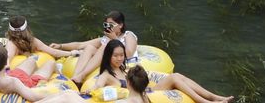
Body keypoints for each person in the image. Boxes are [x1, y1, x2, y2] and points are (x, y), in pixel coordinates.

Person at [84, 39, 233, 103]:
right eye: (115, 55)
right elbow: (96, 86)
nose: (119, 58)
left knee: (178, 76)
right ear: (108, 56)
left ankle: (215, 97)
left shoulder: (124, 69)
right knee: (174, 78)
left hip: (147, 90)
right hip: (145, 95)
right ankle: (206, 101)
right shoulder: (106, 75)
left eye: (121, 55)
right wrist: (86, 92)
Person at [51, 10, 139, 86]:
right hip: (111, 61)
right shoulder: (106, 38)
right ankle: (76, 78)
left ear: (120, 25)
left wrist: (114, 39)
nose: (108, 27)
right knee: (89, 47)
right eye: (106, 25)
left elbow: (129, 53)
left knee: (104, 47)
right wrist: (60, 46)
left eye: (111, 25)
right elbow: (80, 45)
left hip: (124, 64)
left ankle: (82, 75)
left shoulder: (128, 35)